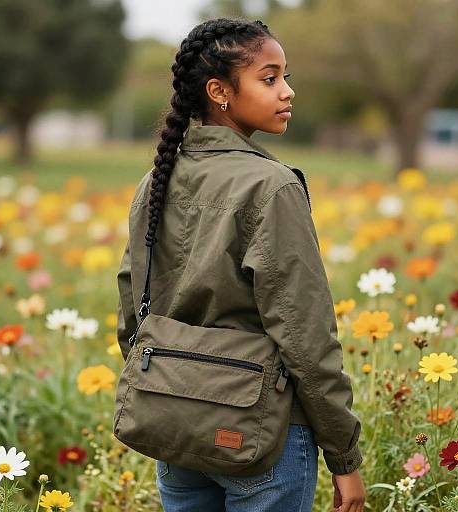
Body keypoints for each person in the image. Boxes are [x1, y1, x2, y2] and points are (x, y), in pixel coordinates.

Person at [116, 16, 366, 512]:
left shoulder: (158, 181)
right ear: (219, 91)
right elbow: (305, 335)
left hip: (176, 421)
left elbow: (132, 308)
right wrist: (345, 457)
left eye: (285, 77)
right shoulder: (271, 187)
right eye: (269, 78)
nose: (288, 91)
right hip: (262, 435)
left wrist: (174, 387)